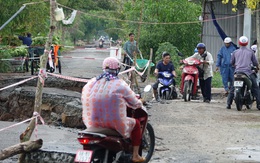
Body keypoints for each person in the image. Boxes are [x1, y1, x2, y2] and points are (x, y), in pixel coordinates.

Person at [81, 57, 145, 162]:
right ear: (117, 69)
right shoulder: (120, 84)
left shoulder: (91, 82)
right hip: (114, 125)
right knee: (136, 124)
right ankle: (135, 155)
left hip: (92, 124)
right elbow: (134, 103)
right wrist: (140, 102)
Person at [231, 36, 260, 110]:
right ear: (247, 43)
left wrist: (235, 65)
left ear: (239, 42)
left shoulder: (235, 52)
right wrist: (257, 67)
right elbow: (255, 62)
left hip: (237, 72)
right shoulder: (250, 52)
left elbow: (231, 62)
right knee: (255, 87)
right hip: (248, 73)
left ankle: (228, 103)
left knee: (232, 88)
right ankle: (259, 105)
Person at [216, 37, 237, 108]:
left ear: (230, 43)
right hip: (224, 66)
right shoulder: (222, 49)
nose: (226, 44)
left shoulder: (234, 49)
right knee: (224, 78)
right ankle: (226, 89)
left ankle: (231, 88)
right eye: (226, 43)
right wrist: (217, 65)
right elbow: (219, 56)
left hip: (232, 67)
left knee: (232, 79)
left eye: (228, 43)